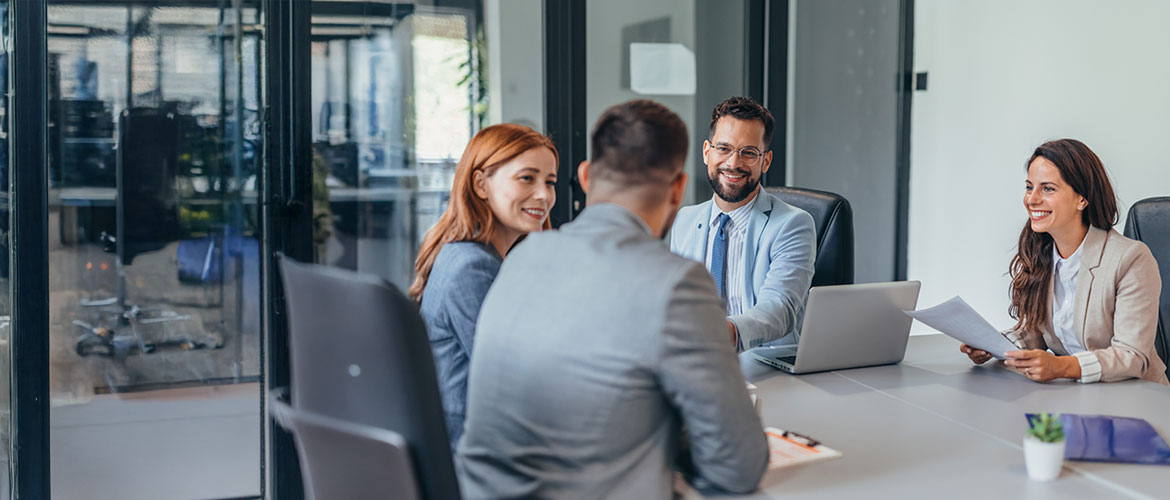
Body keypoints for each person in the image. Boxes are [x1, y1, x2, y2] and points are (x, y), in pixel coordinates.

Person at [457, 100, 768, 498]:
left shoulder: (521, 257)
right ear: (677, 190)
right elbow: (738, 466)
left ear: (585, 176)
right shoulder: (677, 283)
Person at [961, 139, 1167, 385]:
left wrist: (1061, 366)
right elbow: (1040, 333)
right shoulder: (1043, 252)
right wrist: (993, 344)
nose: (1031, 199)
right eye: (1029, 187)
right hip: (1080, 394)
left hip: (1136, 395)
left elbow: (1132, 356)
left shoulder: (1130, 258)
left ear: (1082, 199)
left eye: (1047, 189)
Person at [409, 123, 559, 448]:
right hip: (475, 456)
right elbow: (516, 383)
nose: (544, 195)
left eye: (550, 182)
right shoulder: (473, 267)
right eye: (527, 178)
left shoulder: (462, 253)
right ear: (481, 184)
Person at [670, 96, 815, 350]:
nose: (733, 163)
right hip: (694, 360)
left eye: (748, 153)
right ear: (706, 152)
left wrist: (721, 334)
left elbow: (779, 308)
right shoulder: (685, 220)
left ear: (765, 161)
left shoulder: (793, 224)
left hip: (762, 364)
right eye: (723, 148)